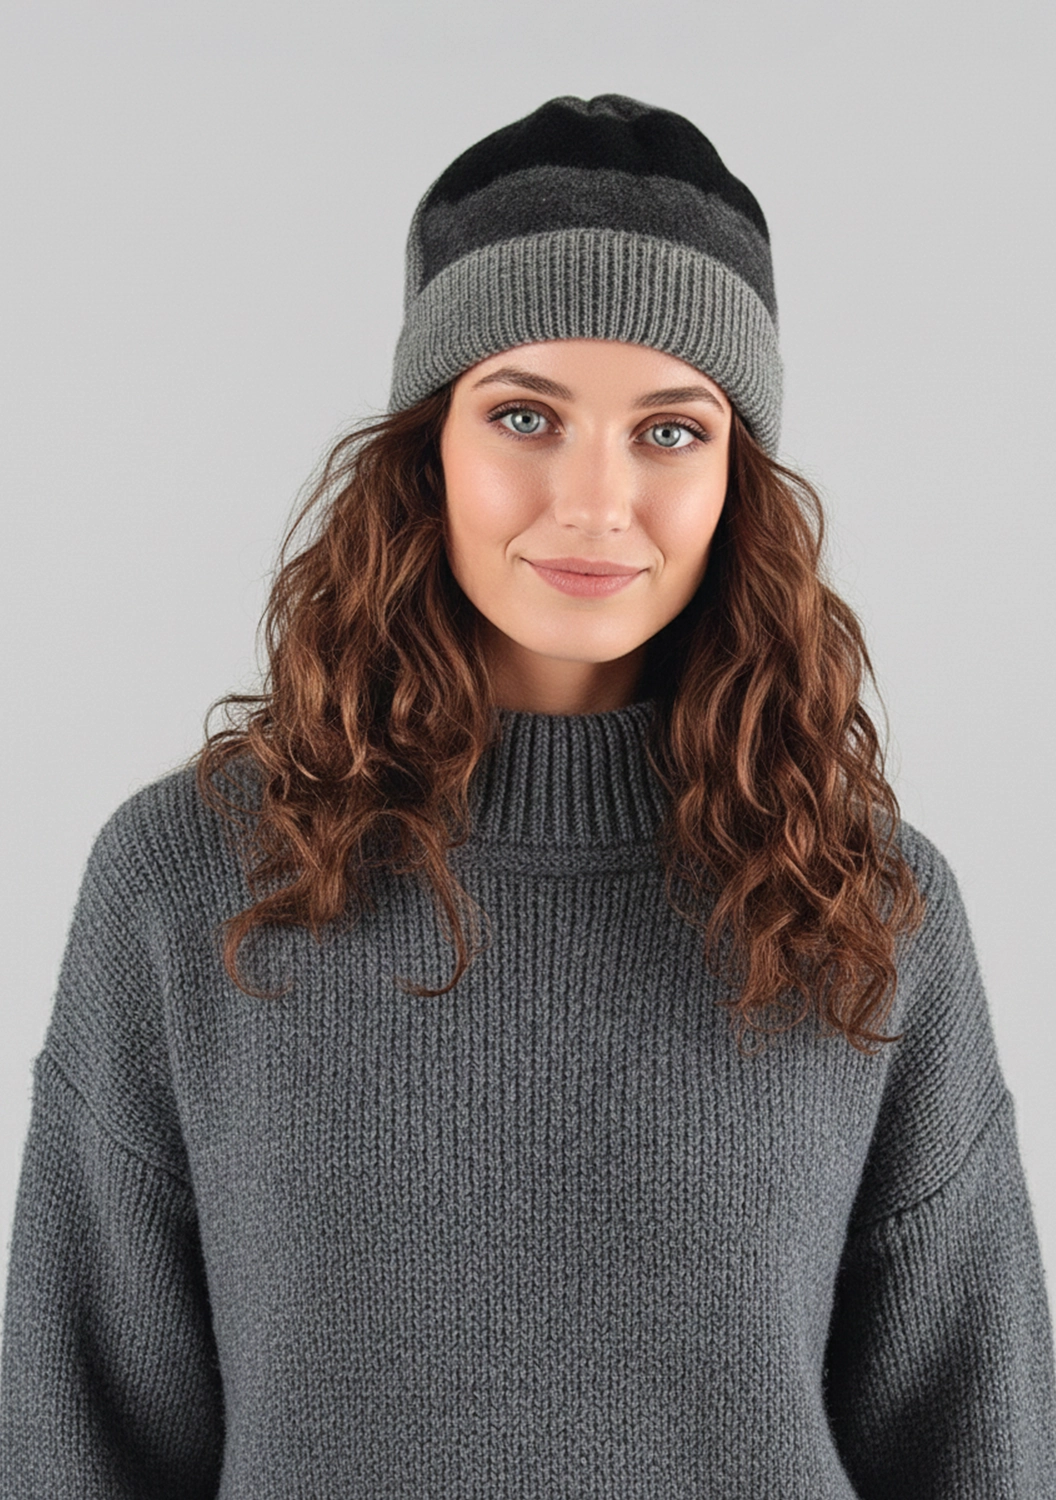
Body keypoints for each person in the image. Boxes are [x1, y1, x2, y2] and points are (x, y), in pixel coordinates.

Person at [1, 92, 1053, 1499]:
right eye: (524, 415)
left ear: (738, 475)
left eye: (670, 431)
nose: (593, 501)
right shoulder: (191, 878)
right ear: (427, 447)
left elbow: (981, 1442)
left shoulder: (863, 902)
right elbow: (73, 1439)